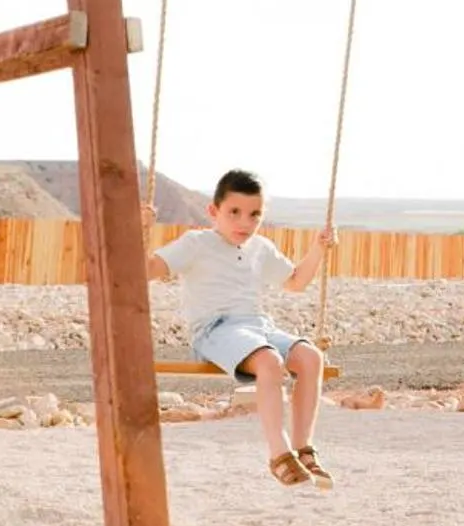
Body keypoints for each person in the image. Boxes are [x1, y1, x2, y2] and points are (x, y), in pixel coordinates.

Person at [144, 169, 339, 488]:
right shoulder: (197, 243)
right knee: (270, 362)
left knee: (311, 357)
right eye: (234, 212)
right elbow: (148, 269)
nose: (244, 223)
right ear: (213, 211)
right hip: (214, 329)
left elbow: (296, 281)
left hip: (257, 326)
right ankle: (280, 454)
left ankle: (304, 451)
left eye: (254, 215)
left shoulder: (260, 247)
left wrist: (319, 247)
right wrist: (141, 231)